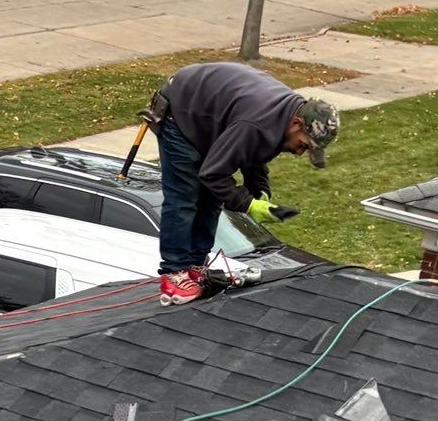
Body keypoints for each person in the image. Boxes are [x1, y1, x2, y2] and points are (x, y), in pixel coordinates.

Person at [142, 61, 341, 304]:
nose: (301, 152)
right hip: (181, 111)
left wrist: (260, 192)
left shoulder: (285, 117)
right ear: (297, 124)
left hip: (212, 114)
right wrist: (248, 205)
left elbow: (253, 151)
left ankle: (195, 264)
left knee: (213, 198)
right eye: (304, 144)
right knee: (185, 197)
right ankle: (174, 274)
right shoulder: (259, 121)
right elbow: (212, 173)